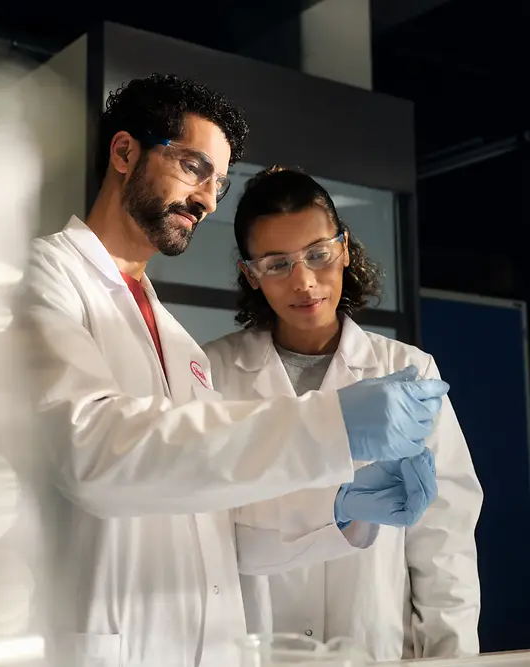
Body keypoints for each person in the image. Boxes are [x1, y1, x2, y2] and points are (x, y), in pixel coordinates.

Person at [19, 74, 448, 667]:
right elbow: (93, 449)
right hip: (111, 646)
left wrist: (338, 509)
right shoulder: (41, 278)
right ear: (124, 152)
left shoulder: (179, 344)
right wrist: (332, 426)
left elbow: (220, 527)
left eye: (218, 183)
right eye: (195, 168)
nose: (208, 200)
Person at [203, 166, 483, 662]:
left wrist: (450, 658)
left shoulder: (407, 371)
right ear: (251, 274)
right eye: (277, 264)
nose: (305, 282)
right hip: (254, 643)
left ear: (344, 249)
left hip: (370, 640)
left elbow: (444, 542)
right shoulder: (212, 374)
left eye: (318, 255)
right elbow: (203, 530)